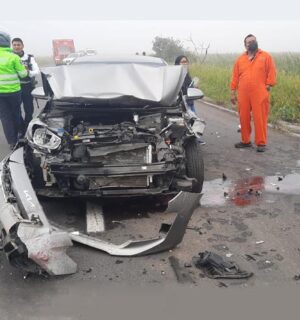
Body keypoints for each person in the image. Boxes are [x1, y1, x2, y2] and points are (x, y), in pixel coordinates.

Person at [230, 34, 276, 153]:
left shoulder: (265, 56)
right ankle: (245, 141)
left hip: (259, 92)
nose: (252, 43)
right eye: (249, 42)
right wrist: (232, 92)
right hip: (243, 93)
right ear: (245, 45)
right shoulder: (240, 59)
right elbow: (235, 76)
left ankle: (261, 143)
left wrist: (269, 84)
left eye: (253, 41)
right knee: (243, 116)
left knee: (259, 117)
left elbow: (271, 71)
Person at [0, 31, 28, 149]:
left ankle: (12, 142)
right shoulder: (13, 57)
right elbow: (23, 75)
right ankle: (21, 136)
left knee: (5, 117)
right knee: (16, 113)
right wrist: (25, 70)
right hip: (14, 92)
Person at [12, 37, 40, 134]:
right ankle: (21, 129)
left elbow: (36, 71)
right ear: (12, 46)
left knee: (29, 109)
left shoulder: (29, 58)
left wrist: (26, 72)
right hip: (14, 88)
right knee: (16, 110)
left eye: (18, 45)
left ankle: (28, 127)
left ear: (22, 46)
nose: (16, 47)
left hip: (27, 87)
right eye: (14, 45)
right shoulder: (9, 57)